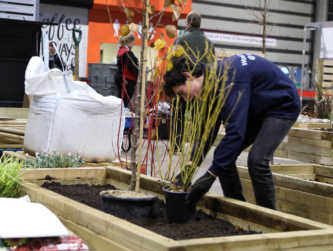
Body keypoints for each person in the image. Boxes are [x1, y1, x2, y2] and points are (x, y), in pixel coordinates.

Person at [163, 54, 301, 210]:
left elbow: (235, 133)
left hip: (281, 105)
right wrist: (189, 167)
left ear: (188, 76)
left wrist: (210, 176)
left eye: (181, 93)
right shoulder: (209, 85)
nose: (186, 100)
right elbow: (206, 134)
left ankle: (270, 219)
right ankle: (237, 211)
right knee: (223, 155)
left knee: (257, 161)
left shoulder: (228, 80)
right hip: (257, 108)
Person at [171, 11, 215, 153]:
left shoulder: (181, 38)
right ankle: (196, 149)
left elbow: (173, 60)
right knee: (198, 116)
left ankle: (177, 147)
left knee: (178, 113)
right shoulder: (209, 42)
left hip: (183, 81)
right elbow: (213, 64)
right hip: (201, 84)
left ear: (188, 23)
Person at [115, 33, 139, 109]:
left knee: (121, 101)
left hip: (121, 76)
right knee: (124, 102)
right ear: (128, 42)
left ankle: (120, 117)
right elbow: (131, 66)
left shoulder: (121, 50)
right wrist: (139, 72)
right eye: (133, 43)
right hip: (127, 79)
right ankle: (122, 118)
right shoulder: (127, 52)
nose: (134, 45)